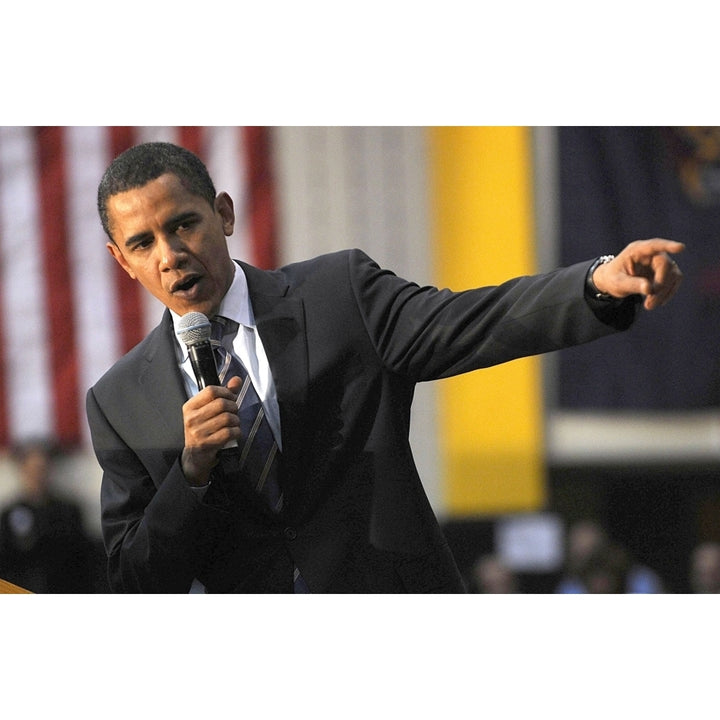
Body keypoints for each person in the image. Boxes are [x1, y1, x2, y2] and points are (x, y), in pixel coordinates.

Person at [86, 141, 684, 593]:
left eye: (183, 224)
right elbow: (137, 581)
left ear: (223, 213)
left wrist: (596, 284)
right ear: (121, 260)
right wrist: (189, 474)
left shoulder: (337, 294)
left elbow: (472, 321)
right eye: (143, 243)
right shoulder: (119, 403)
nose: (170, 256)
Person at [0, 438, 93, 593]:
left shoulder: (68, 512)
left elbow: (81, 562)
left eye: (41, 470)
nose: (36, 476)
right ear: (22, 471)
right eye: (31, 470)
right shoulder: (8, 515)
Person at [556, 519, 664, 594]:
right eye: (578, 553)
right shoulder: (569, 588)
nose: (586, 558)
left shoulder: (641, 581)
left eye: (591, 551)